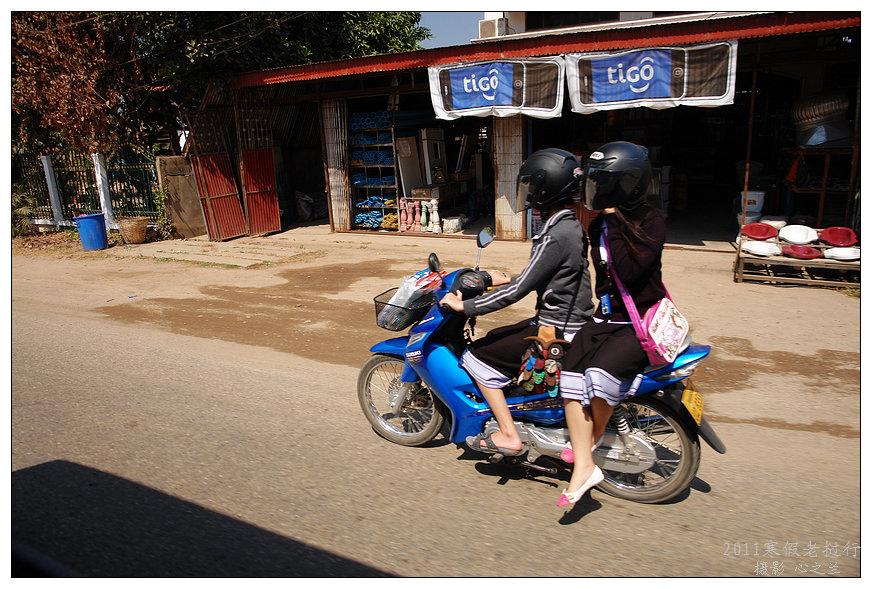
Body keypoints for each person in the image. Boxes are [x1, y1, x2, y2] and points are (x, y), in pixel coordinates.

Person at [440, 148, 594, 455]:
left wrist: (464, 307)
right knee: (499, 338)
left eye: (532, 186)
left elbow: (518, 292)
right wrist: (502, 278)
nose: (529, 194)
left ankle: (509, 435)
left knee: (476, 357)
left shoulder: (554, 234)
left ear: (546, 188)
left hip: (557, 328)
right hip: (571, 318)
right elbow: (546, 275)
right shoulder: (568, 224)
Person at [556, 141, 667, 508]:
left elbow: (630, 272)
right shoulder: (600, 223)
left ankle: (589, 448)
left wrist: (615, 222)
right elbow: (602, 277)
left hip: (638, 321)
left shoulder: (651, 221)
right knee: (569, 375)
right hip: (605, 317)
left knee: (600, 376)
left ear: (626, 185)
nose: (595, 190)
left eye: (604, 183)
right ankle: (587, 460)